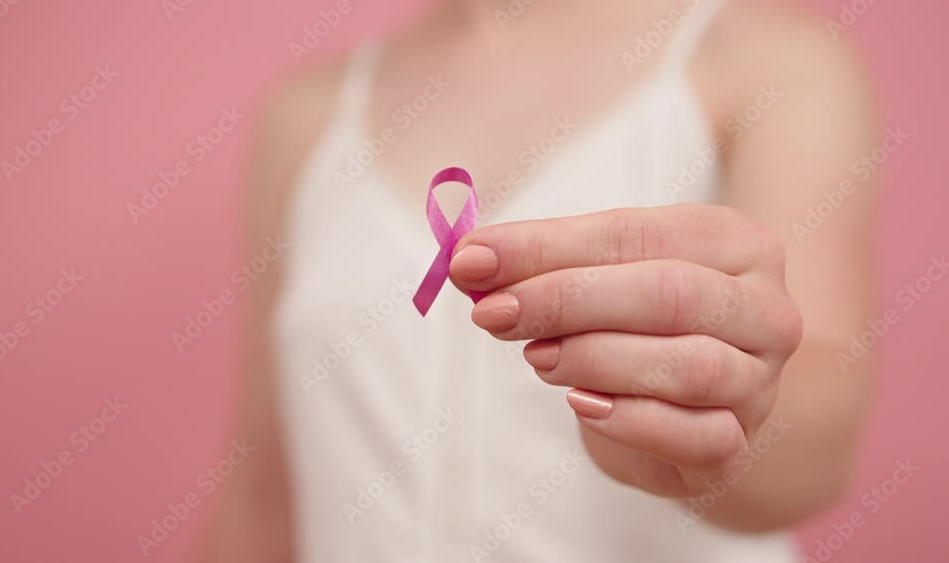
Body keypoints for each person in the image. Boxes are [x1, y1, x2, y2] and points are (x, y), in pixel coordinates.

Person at [202, 0, 877, 561]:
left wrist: (717, 425)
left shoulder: (766, 61)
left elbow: (822, 442)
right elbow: (262, 492)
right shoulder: (306, 119)